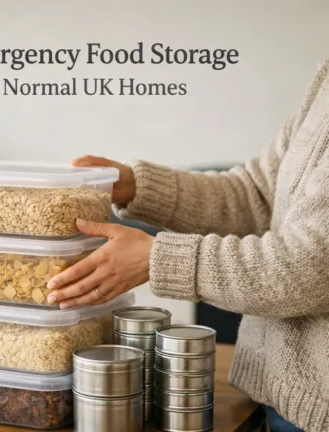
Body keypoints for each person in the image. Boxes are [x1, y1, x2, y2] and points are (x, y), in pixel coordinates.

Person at [47, 58, 329, 432]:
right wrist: (138, 186)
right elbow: (259, 194)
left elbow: (311, 267)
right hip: (275, 399)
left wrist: (158, 259)